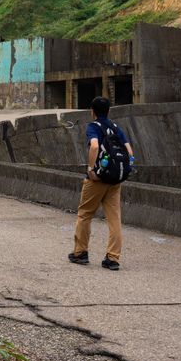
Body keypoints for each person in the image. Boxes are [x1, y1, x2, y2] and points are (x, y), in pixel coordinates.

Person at [68, 96, 134, 270]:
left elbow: (95, 146)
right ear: (109, 111)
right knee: (114, 219)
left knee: (85, 214)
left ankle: (80, 253)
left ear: (93, 112)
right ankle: (113, 258)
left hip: (97, 180)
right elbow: (129, 152)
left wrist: (91, 169)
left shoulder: (93, 127)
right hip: (115, 180)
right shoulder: (116, 129)